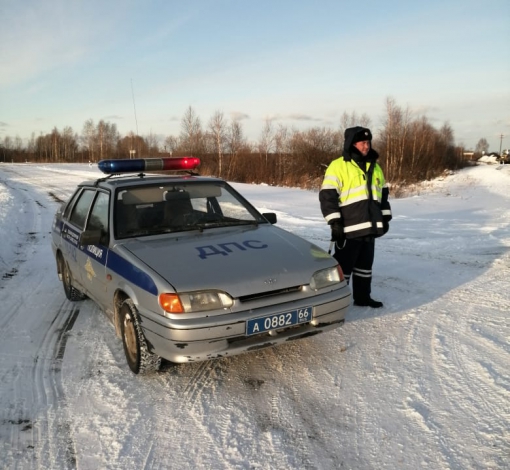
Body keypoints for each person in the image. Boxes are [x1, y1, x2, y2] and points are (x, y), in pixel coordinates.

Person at [319, 126, 392, 308]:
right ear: (352, 143)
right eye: (362, 143)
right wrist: (334, 222)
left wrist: (385, 217)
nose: (366, 146)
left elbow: (382, 194)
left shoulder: (375, 166)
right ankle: (335, 303)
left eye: (368, 142)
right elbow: (327, 196)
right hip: (349, 229)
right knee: (344, 268)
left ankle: (362, 297)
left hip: (370, 227)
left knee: (365, 267)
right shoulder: (338, 166)